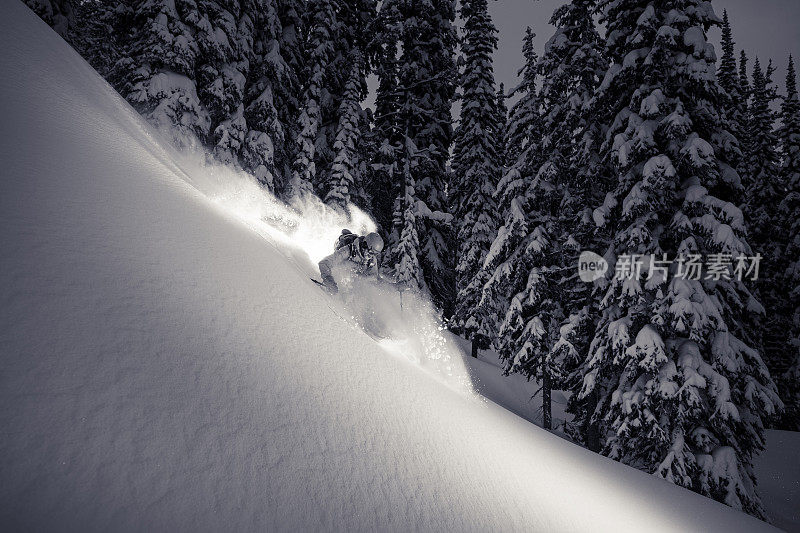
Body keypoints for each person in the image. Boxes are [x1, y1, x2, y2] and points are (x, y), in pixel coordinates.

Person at [318, 230, 384, 294]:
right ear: (364, 245)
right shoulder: (347, 251)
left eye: (375, 254)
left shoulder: (371, 259)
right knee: (345, 266)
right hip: (341, 267)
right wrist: (329, 280)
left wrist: (363, 279)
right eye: (371, 252)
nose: (371, 256)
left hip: (355, 274)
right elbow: (324, 263)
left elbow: (374, 277)